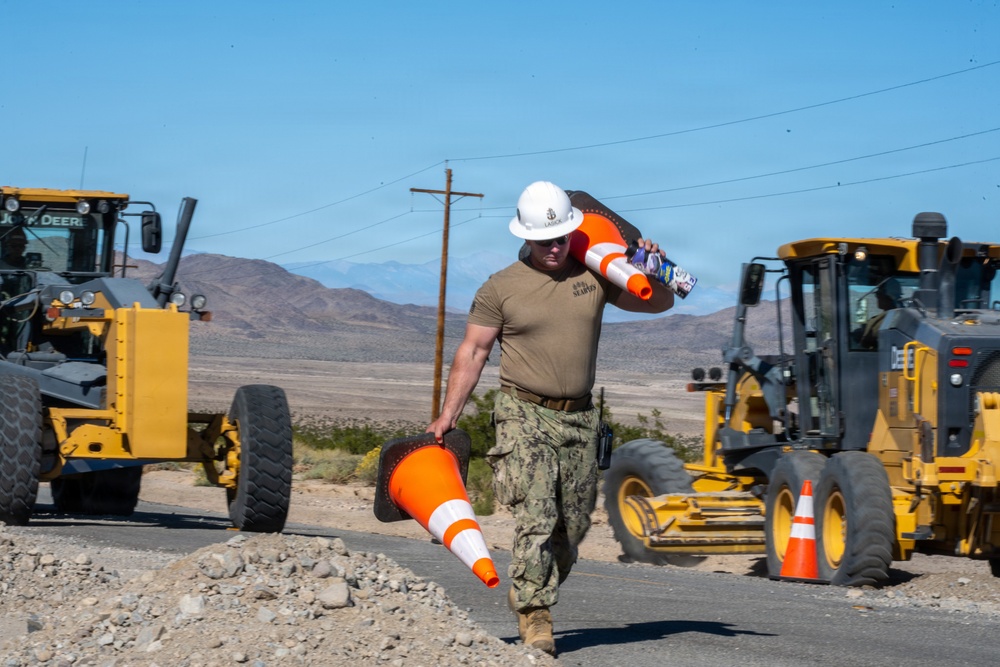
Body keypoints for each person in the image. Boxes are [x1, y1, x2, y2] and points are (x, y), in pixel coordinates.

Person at [426, 180, 674, 655]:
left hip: (580, 419)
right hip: (523, 413)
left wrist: (649, 264)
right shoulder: (501, 288)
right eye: (545, 241)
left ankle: (530, 585)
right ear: (525, 238)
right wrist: (447, 416)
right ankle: (536, 616)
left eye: (561, 239)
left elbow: (660, 301)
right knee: (536, 515)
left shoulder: (596, 271)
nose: (555, 249)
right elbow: (474, 350)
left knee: (572, 529)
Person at [859, 277, 901, 349]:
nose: (877, 297)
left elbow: (866, 342)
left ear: (889, 297)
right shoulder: (898, 315)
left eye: (879, 294)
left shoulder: (889, 319)